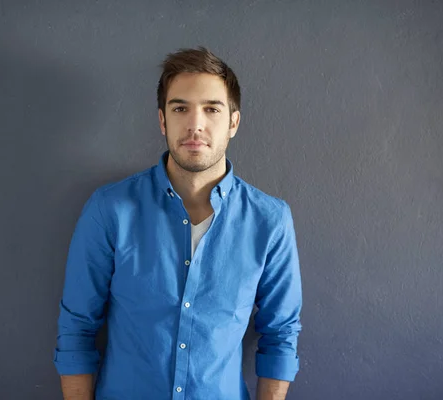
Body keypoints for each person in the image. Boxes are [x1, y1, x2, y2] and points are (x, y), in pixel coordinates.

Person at [53, 46, 302, 400]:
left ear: (233, 122)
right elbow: (77, 328)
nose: (195, 124)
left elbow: (281, 335)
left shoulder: (271, 220)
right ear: (162, 120)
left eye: (211, 109)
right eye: (180, 108)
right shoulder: (110, 210)